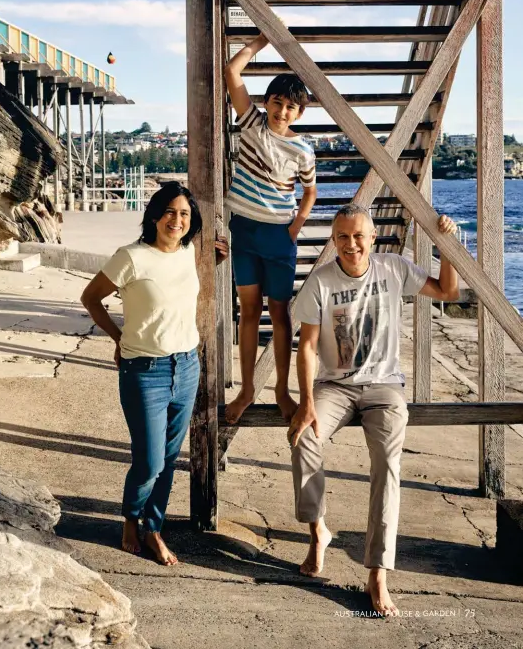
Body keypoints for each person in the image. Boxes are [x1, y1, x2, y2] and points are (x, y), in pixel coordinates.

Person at [288, 204, 459, 616]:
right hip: (335, 386)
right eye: (342, 237)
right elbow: (308, 346)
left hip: (384, 387)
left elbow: (448, 292)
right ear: (334, 239)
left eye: (359, 236)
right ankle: (318, 531)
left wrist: (446, 244)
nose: (351, 244)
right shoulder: (321, 282)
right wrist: (306, 402)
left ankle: (378, 571)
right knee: (303, 439)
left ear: (373, 237)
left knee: (387, 462)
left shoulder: (393, 268)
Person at [80, 182, 228, 566]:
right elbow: (90, 298)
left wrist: (219, 260)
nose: (176, 220)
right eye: (169, 212)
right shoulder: (130, 257)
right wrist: (117, 337)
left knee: (168, 458)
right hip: (144, 371)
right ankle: (131, 517)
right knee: (149, 461)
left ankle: (153, 528)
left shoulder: (190, 252)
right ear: (153, 215)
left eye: (184, 214)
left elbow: (187, 289)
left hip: (187, 366)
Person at [223, 32, 318, 425]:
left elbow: (310, 192)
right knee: (248, 313)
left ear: (299, 113)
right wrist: (262, 41)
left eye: (290, 106)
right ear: (267, 103)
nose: (282, 111)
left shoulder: (303, 149)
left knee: (280, 314)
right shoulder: (251, 124)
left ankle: (281, 391)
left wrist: (294, 229)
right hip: (244, 232)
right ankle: (246, 390)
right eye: (277, 102)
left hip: (279, 237)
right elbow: (232, 70)